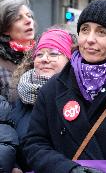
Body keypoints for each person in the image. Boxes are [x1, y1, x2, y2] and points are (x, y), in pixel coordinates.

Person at [23, 0, 106, 173]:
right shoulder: (52, 89)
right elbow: (34, 144)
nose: (90, 39)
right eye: (85, 29)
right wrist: (68, 169)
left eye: (101, 32)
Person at [10, 27, 75, 172]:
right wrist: (12, 164)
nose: (44, 59)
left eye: (53, 53)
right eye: (39, 54)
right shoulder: (17, 96)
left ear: (71, 59)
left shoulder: (78, 99)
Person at [0, 0, 35, 102]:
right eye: (18, 18)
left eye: (29, 16)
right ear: (6, 29)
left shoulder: (43, 56)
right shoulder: (1, 65)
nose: (28, 20)